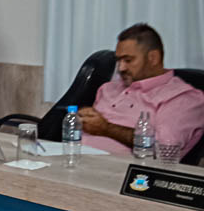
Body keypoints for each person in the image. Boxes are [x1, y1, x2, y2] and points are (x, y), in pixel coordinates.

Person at [80, 23, 204, 158]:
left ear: (153, 58)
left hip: (124, 174)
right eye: (118, 61)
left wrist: (107, 129)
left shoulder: (183, 98)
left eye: (128, 60)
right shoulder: (109, 88)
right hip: (72, 157)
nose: (121, 68)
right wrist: (85, 118)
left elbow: (165, 148)